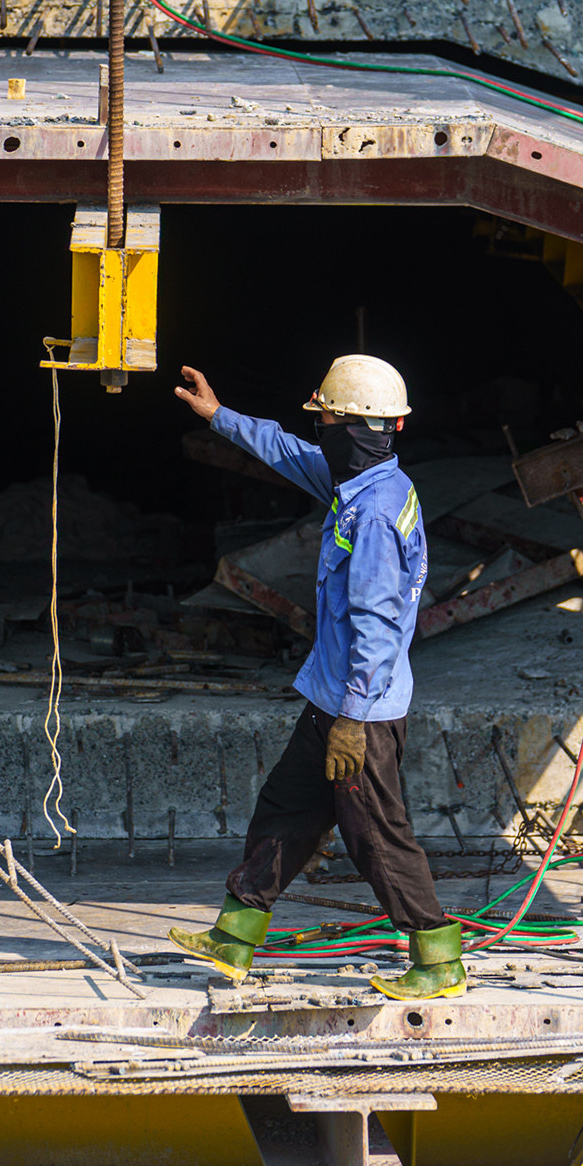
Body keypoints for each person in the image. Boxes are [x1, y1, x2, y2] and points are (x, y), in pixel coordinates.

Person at [167, 356, 465, 1000]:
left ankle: (438, 960)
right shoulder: (358, 481)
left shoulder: (377, 515)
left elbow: (380, 626)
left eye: (326, 416)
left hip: (361, 712)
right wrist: (218, 416)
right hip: (331, 698)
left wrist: (353, 722)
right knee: (286, 810)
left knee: (376, 836)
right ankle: (236, 935)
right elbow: (284, 448)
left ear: (353, 426)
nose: (319, 427)